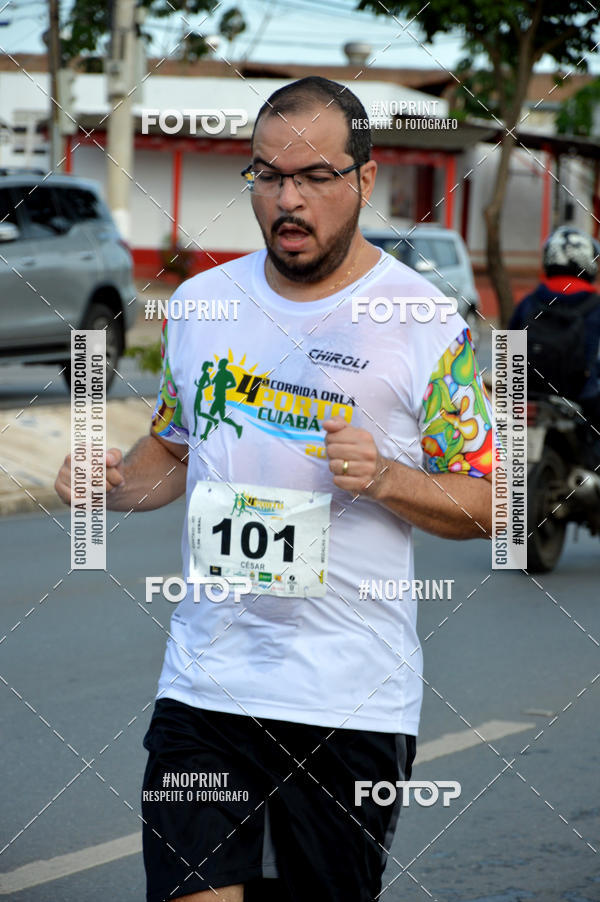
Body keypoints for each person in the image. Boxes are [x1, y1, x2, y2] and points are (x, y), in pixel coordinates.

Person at [55, 76, 494, 902]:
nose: (287, 200)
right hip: (205, 686)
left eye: (315, 177)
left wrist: (390, 478)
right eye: (267, 176)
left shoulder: (426, 324)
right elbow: (174, 449)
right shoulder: (201, 306)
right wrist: (110, 482)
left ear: (364, 179)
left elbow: (494, 501)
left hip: (349, 703)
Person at [509, 225, 600, 465]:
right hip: (582, 398)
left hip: (527, 396)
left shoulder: (528, 302)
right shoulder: (595, 306)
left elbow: (507, 348)